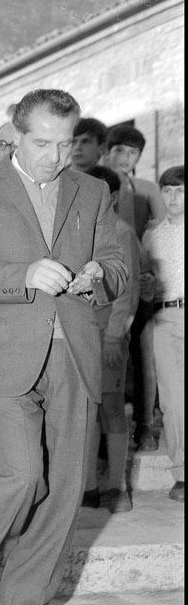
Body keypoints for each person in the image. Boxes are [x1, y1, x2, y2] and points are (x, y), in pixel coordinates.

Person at [0, 88, 126, 605]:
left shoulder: (93, 191)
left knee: (66, 484)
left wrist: (100, 276)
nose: (55, 156)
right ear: (16, 136)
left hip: (75, 351)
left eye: (65, 144)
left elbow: (117, 265)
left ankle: (25, 600)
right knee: (22, 473)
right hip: (4, 351)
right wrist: (23, 274)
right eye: (42, 143)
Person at [80, 165, 140, 513]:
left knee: (112, 408)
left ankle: (117, 486)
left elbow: (127, 291)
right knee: (84, 410)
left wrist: (116, 336)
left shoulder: (121, 231)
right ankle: (88, 486)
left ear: (113, 197)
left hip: (107, 335)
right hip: (79, 333)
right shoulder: (78, 228)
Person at [104, 124, 167, 452]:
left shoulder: (146, 189)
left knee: (144, 353)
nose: (126, 158)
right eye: (120, 150)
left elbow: (162, 231)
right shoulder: (98, 182)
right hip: (105, 279)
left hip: (138, 276)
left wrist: (152, 273)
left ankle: (144, 424)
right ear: (107, 151)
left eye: (133, 153)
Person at [141, 165, 184, 502]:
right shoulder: (152, 234)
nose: (173, 198)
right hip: (165, 317)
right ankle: (182, 473)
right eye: (167, 191)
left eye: (180, 191)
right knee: (173, 399)